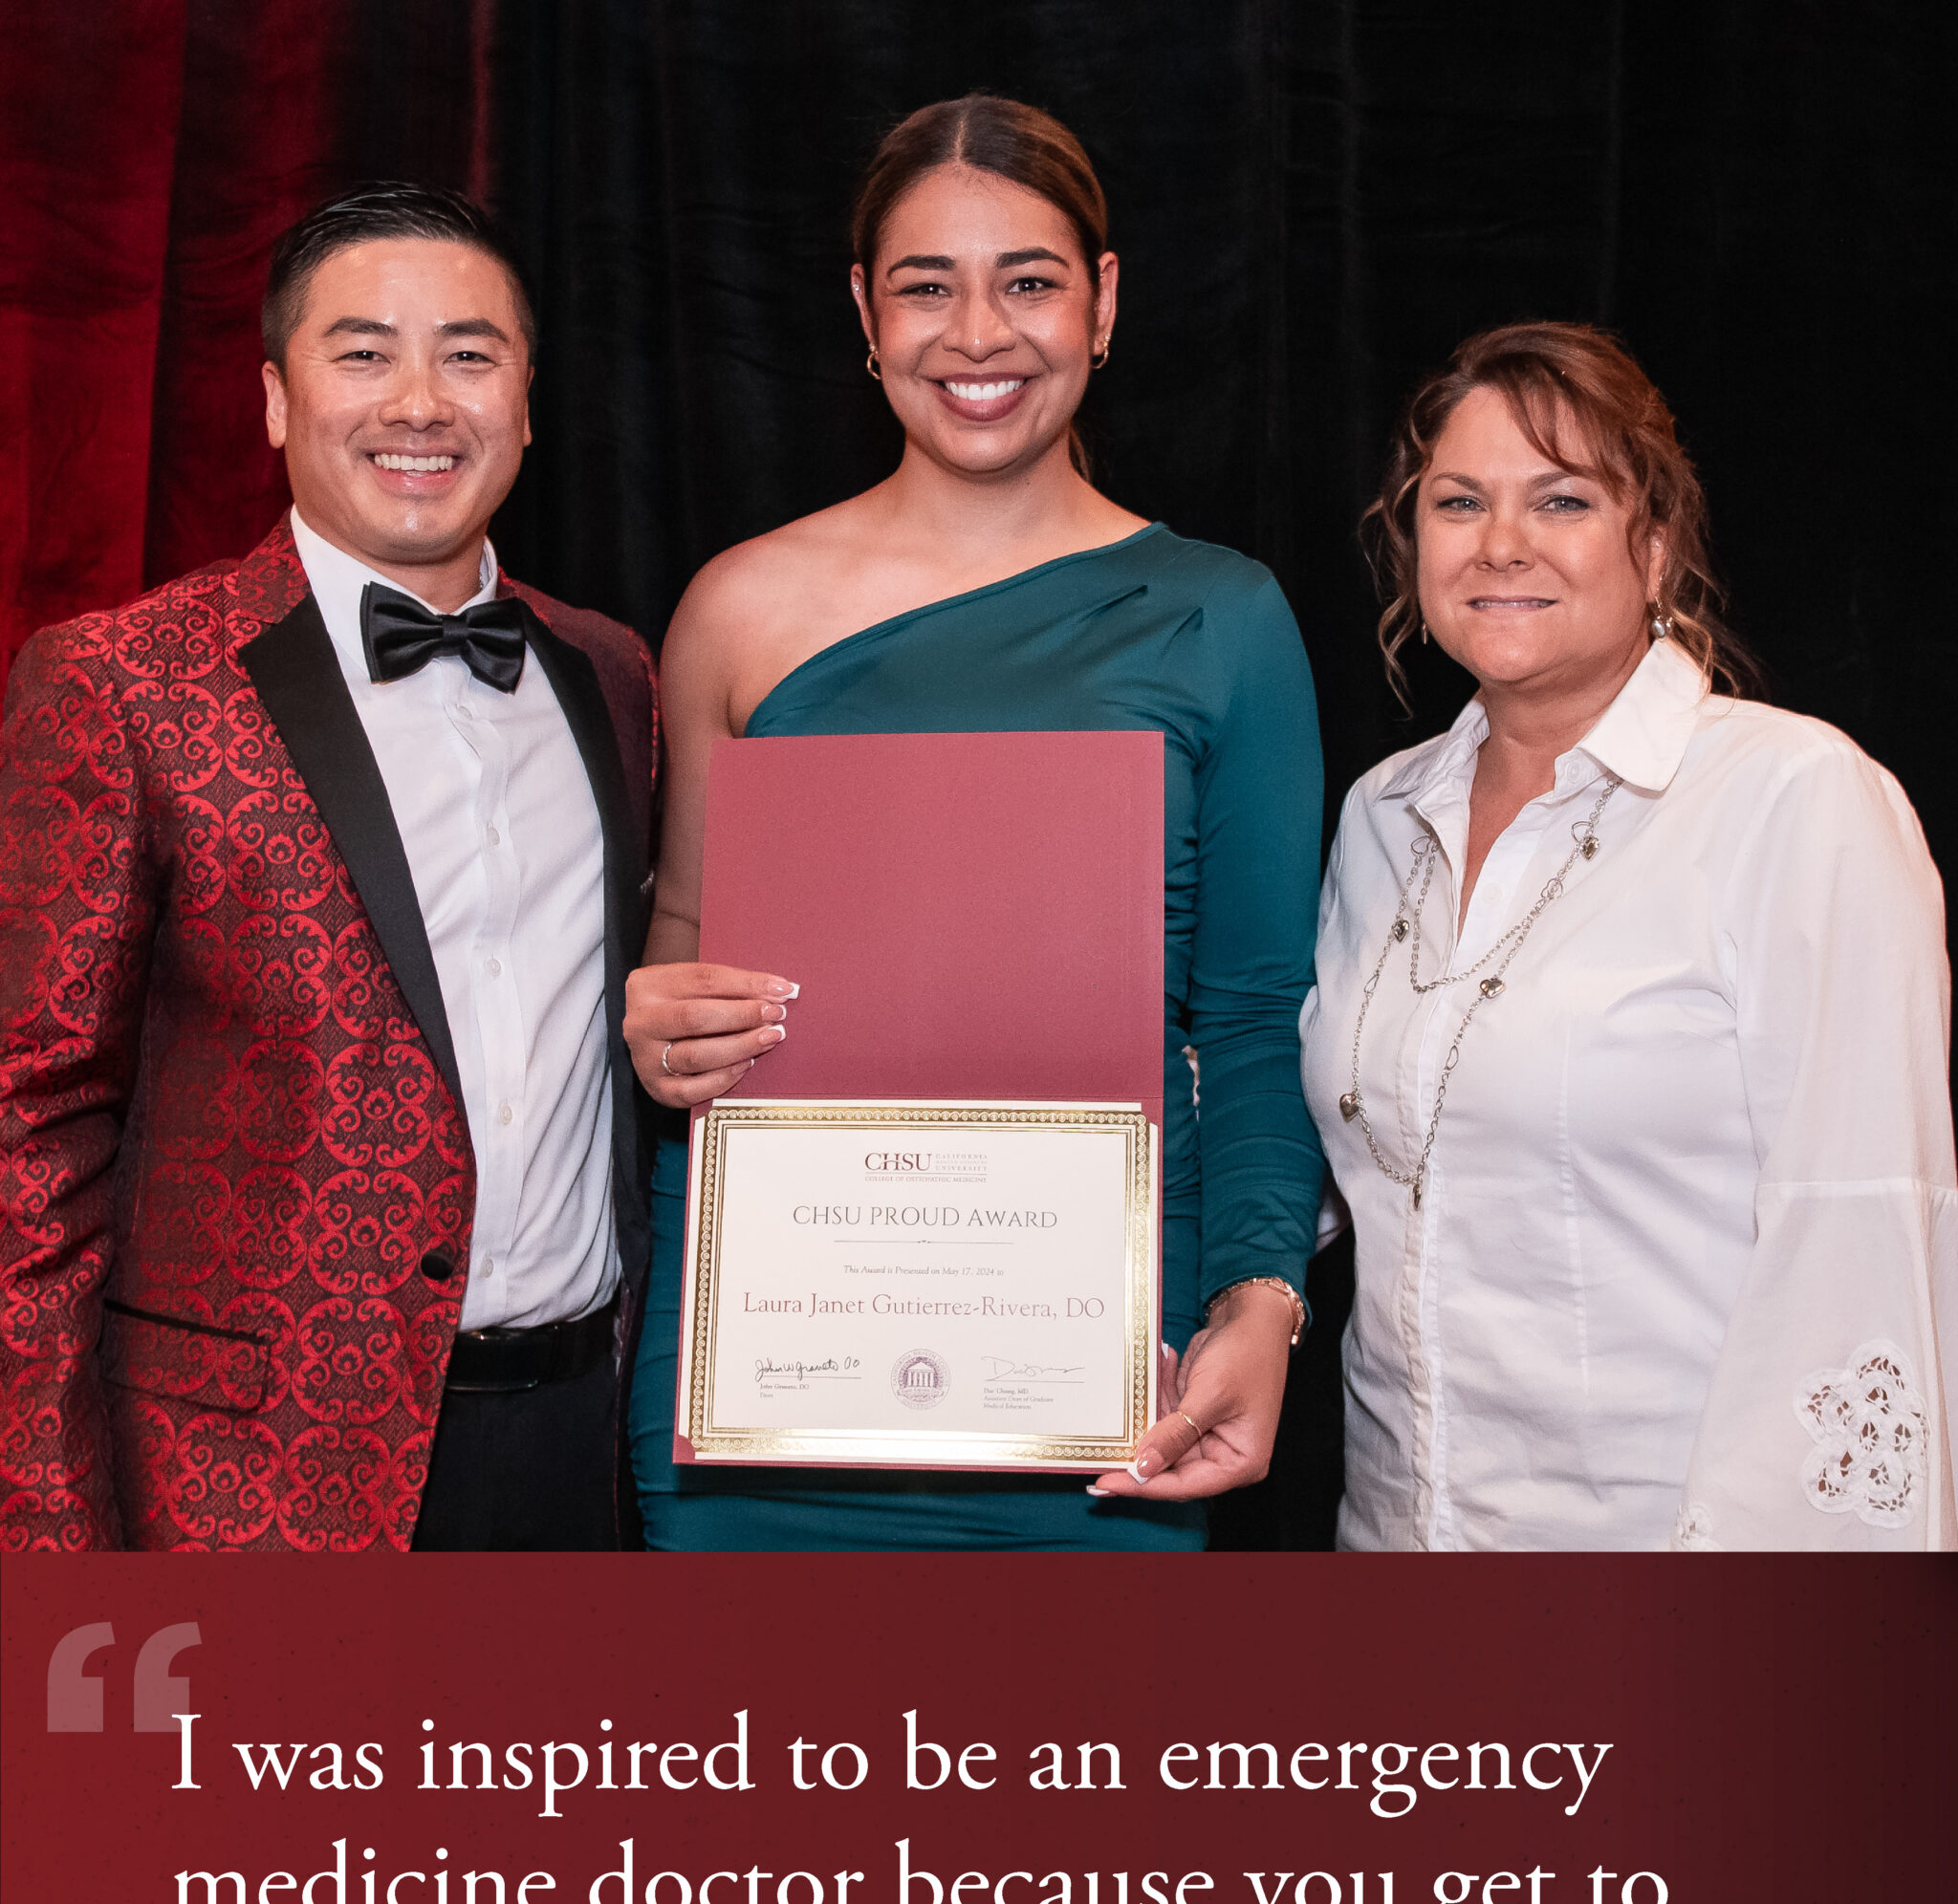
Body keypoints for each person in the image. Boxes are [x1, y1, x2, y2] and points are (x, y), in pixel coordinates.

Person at [623, 95, 1324, 1550]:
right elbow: (679, 945)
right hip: (767, 1360)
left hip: (1113, 1365)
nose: (978, 333)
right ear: (865, 313)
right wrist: (657, 1023)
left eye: (1030, 280)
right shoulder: (737, 610)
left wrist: (1262, 1300)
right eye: (928, 285)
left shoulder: (1225, 615)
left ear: (1104, 301)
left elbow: (1260, 1016)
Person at [0, 184, 657, 1551]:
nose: (421, 400)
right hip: (243, 1487)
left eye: (470, 354)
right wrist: (49, 1544)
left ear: (528, 402)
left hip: (576, 1451)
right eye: (363, 353)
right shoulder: (120, 684)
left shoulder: (612, 674)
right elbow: (27, 1131)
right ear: (276, 402)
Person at [1300, 321, 1954, 1550]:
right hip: (1393, 1555)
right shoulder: (1381, 816)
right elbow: (1338, 1160)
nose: (1500, 544)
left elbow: (1860, 1228)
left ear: (1650, 545)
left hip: (1668, 1580)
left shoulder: (1791, 800)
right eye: (1457, 503)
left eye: (1560, 500)